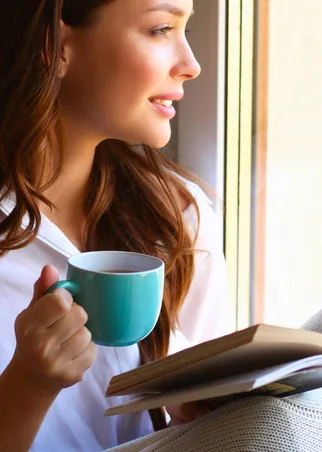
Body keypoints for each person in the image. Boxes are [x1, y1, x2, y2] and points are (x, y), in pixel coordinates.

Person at [0, 0, 233, 450]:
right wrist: (26, 388)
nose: (192, 65)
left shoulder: (180, 217)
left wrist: (195, 420)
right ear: (56, 45)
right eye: (161, 29)